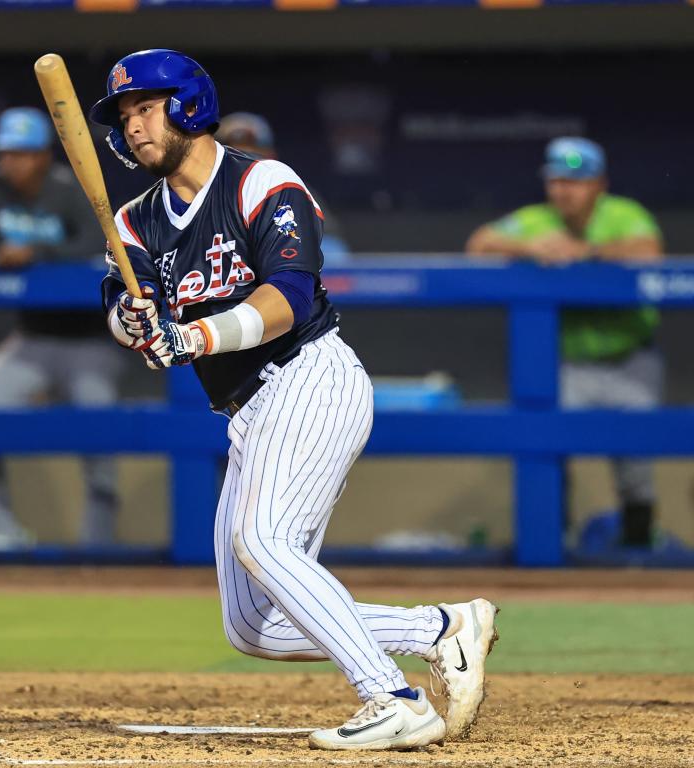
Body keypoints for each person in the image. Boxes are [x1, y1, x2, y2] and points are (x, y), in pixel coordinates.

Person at [91, 49, 498, 751]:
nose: (133, 126)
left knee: (262, 541)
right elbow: (127, 307)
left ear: (189, 106)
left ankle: (392, 698)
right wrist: (132, 324)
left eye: (146, 109)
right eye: (125, 116)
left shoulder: (259, 181)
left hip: (309, 375)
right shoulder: (134, 223)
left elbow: (289, 296)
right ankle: (442, 629)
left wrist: (194, 338)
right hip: (246, 411)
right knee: (252, 626)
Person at [466, 137, 664, 548]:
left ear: (599, 185)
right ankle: (556, 550)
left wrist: (586, 251)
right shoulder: (536, 221)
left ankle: (639, 556)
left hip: (631, 360)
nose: (563, 190)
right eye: (556, 180)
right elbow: (479, 244)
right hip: (569, 364)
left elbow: (649, 251)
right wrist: (528, 247)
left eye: (575, 181)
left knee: (636, 464)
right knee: (548, 455)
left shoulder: (623, 214)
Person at [0, 106, 121, 551]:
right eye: (6, 153)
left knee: (100, 439)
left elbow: (98, 244)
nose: (11, 162)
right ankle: (2, 530)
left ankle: (97, 550)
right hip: (31, 339)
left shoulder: (68, 187)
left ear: (44, 155)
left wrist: (38, 250)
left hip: (89, 340)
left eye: (22, 153)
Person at [214, 112, 353, 265]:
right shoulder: (200, 193)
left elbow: (334, 252)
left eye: (252, 154)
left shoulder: (291, 189)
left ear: (271, 155)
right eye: (235, 154)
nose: (244, 162)